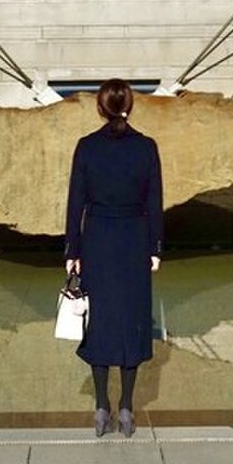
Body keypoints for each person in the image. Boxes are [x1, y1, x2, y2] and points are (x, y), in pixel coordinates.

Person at [64, 78, 163, 437]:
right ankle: (126, 408)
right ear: (130, 106)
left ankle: (101, 407)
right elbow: (154, 202)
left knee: (100, 321)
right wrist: (155, 248)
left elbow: (76, 202)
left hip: (98, 240)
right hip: (134, 239)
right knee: (133, 322)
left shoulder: (86, 147)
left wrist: (73, 250)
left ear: (100, 108)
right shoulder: (146, 147)